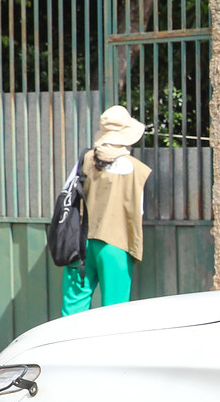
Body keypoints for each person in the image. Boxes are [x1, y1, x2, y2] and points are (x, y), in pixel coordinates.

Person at [61, 105, 152, 316]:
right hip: (115, 245)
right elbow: (138, 211)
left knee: (72, 309)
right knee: (114, 313)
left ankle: (67, 348)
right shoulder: (137, 169)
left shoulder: (84, 160)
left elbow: (66, 198)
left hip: (80, 245)